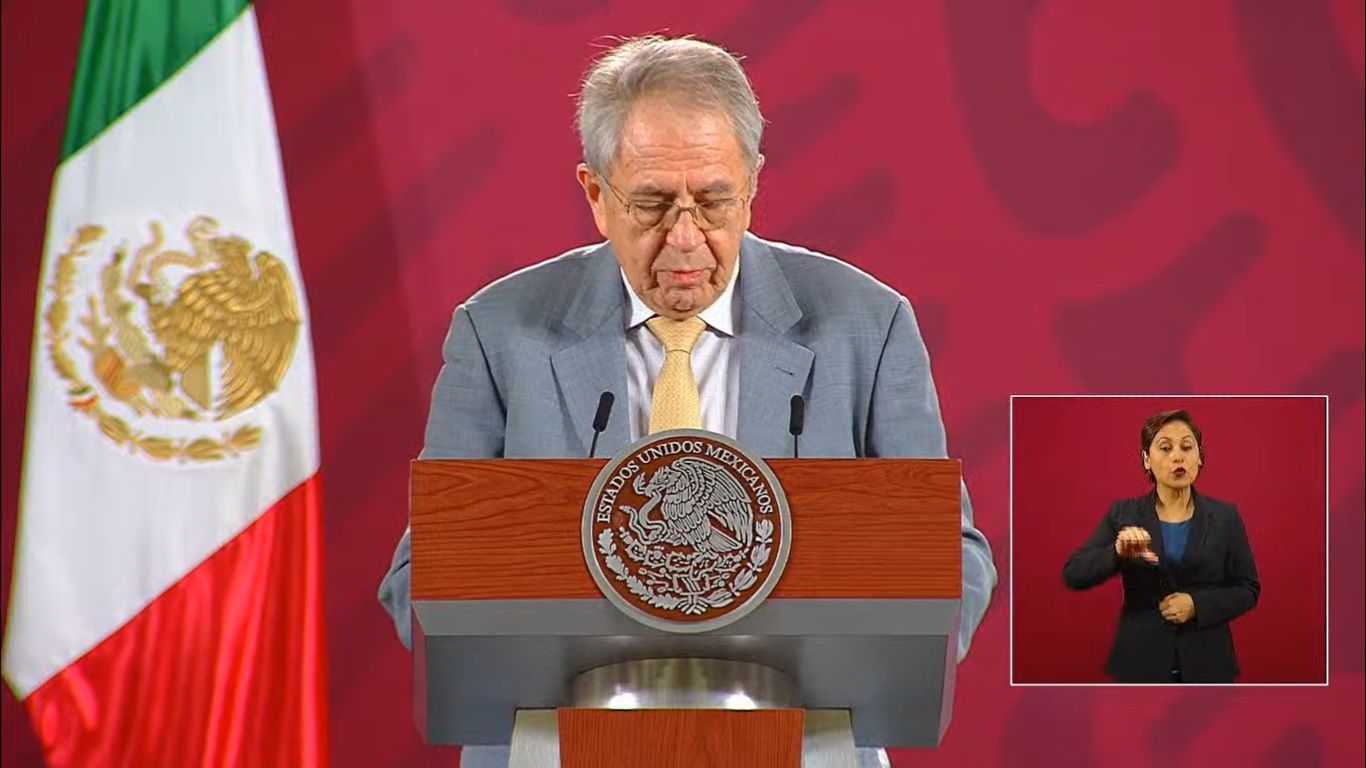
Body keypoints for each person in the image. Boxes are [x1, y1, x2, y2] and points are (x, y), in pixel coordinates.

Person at [378, 36, 997, 762]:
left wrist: (887, 655)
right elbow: (422, 574)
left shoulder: (867, 325)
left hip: (806, 744)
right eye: (650, 204)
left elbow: (952, 557)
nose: (683, 238)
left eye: (712, 202)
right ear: (595, 194)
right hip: (558, 745)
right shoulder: (498, 333)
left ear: (753, 185)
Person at [1063, 409, 1260, 683]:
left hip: (1209, 665)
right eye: (1165, 448)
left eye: (1187, 447)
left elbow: (1248, 589)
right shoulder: (1125, 514)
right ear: (1146, 459)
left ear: (1199, 457)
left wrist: (1197, 605)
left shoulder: (1226, 517)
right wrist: (1117, 552)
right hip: (1140, 665)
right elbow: (1074, 573)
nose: (1178, 456)